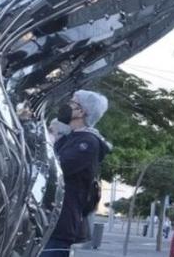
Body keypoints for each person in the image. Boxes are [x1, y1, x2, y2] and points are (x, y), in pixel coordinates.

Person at [44, 90, 112, 255]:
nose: (66, 105)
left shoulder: (87, 142)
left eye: (72, 102)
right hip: (46, 219)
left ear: (82, 112)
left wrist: (50, 139)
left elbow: (56, 169)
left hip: (60, 222)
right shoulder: (70, 138)